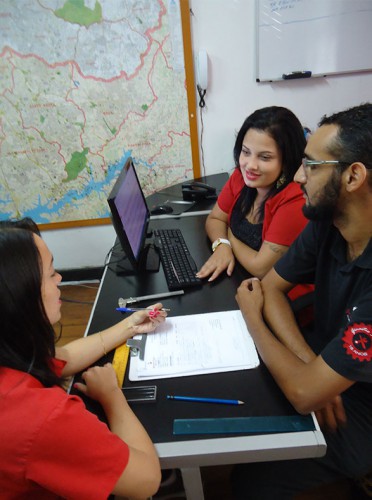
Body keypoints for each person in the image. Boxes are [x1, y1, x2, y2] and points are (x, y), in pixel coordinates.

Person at [233, 103, 372, 499]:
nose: (297, 176)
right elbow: (273, 287)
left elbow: (303, 394)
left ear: (353, 176)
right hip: (325, 362)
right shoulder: (328, 222)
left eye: (311, 165)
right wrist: (312, 368)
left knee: (251, 479)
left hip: (362, 407)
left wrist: (251, 317)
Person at [0, 220, 167, 499]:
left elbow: (62, 357)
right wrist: (112, 396)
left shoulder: (11, 350)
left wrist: (131, 326)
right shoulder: (40, 419)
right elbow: (146, 480)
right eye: (51, 273)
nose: (60, 280)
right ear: (21, 296)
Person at [196, 106, 313, 305]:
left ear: (287, 159)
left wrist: (229, 236)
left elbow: (260, 267)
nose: (250, 165)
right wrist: (222, 245)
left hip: (281, 302)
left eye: (265, 157)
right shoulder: (241, 177)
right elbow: (215, 218)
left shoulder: (295, 198)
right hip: (241, 281)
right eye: (246, 152)